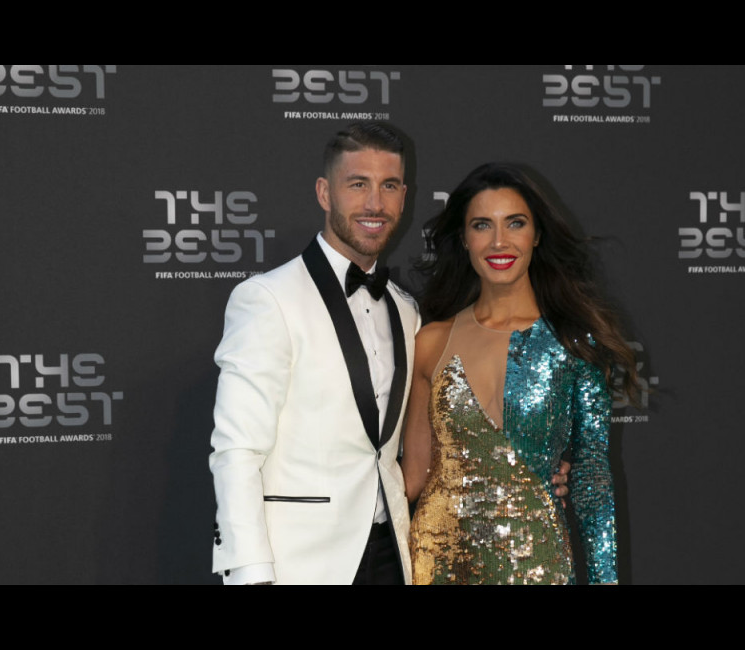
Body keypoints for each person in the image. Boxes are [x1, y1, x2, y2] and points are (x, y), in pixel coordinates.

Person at [209, 125, 570, 585]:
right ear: (324, 193)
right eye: (358, 184)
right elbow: (236, 450)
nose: (375, 204)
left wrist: (532, 468)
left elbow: (430, 447)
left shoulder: (405, 310)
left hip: (393, 553)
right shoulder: (268, 299)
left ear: (404, 197)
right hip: (298, 562)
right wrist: (250, 572)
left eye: (389, 186)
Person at [402, 162, 639, 585]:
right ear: (464, 238)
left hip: (538, 564)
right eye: (482, 225)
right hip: (437, 563)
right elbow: (411, 479)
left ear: (537, 234)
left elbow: (592, 480)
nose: (499, 241)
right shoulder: (430, 341)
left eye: (515, 223)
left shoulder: (573, 343)